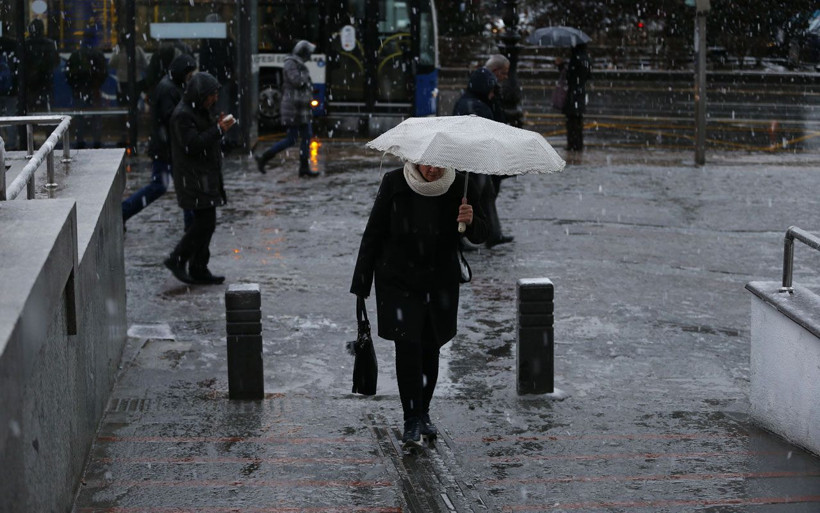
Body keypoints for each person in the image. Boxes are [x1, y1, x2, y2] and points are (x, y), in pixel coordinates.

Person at [350, 162, 488, 450]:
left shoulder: (460, 185)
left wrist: (471, 219)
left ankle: (423, 412)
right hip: (399, 280)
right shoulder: (394, 182)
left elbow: (482, 234)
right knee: (408, 346)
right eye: (426, 164)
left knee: (430, 346)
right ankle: (411, 418)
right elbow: (373, 233)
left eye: (439, 165)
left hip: (440, 281)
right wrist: (361, 285)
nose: (432, 170)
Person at [164, 72, 236, 285]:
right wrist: (218, 130)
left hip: (204, 175)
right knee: (204, 223)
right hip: (194, 178)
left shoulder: (199, 111)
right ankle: (179, 259)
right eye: (211, 95)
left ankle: (198, 267)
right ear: (200, 94)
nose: (214, 99)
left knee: (207, 223)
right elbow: (192, 145)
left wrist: (217, 126)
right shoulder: (182, 115)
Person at [122, 54, 197, 228]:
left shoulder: (171, 86)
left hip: (168, 147)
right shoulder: (168, 89)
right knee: (167, 186)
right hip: (167, 148)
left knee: (174, 185)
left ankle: (191, 223)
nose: (190, 78)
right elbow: (171, 118)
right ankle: (124, 210)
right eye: (189, 74)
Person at [452, 67, 512, 248]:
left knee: (485, 195)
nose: (493, 94)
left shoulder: (468, 102)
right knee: (472, 197)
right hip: (474, 161)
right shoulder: (476, 106)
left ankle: (493, 233)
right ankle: (461, 237)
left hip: (474, 161)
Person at [254, 40, 319, 178]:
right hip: (294, 109)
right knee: (291, 139)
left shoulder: (298, 64)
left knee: (306, 135)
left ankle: (304, 167)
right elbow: (297, 81)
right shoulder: (291, 63)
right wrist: (306, 76)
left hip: (301, 108)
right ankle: (265, 157)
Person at [198, 13, 238, 149]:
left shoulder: (207, 41)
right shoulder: (227, 41)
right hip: (222, 79)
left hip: (212, 80)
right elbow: (232, 60)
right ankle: (225, 138)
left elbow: (203, 61)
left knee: (213, 110)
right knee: (223, 109)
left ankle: (219, 137)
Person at [65, 28, 108, 148]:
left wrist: (76, 86)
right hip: (94, 90)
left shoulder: (76, 54)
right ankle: (97, 141)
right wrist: (96, 84)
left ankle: (80, 141)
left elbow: (69, 73)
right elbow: (104, 72)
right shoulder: (97, 54)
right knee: (96, 117)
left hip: (79, 90)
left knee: (80, 117)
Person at [23, 19, 59, 113]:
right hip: (45, 82)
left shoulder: (25, 44)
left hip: (30, 83)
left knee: (30, 110)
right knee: (45, 110)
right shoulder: (49, 44)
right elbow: (55, 62)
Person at [108, 33, 148, 107]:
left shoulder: (119, 50)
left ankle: (124, 116)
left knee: (123, 104)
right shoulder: (138, 50)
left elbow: (111, 63)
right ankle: (133, 115)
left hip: (122, 82)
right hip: (136, 81)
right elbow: (145, 64)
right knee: (134, 104)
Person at [565, 43, 592, 152]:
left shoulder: (575, 58)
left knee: (572, 121)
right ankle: (578, 144)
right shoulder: (586, 58)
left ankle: (572, 144)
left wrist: (562, 66)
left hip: (573, 92)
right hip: (581, 92)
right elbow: (589, 75)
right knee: (578, 120)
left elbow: (569, 76)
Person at [0, 23, 19, 149]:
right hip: (10, 88)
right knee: (11, 115)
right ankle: (11, 143)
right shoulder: (13, 44)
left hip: (5, 86)